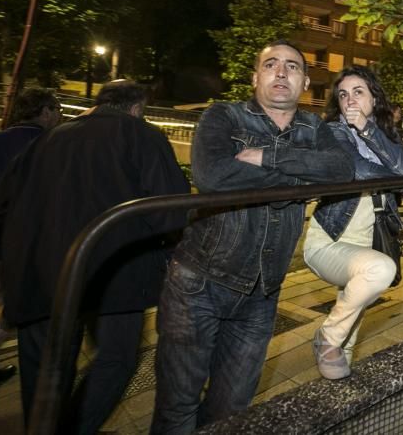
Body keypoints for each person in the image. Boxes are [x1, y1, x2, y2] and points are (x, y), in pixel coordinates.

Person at [151, 40, 353, 433]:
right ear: (256, 76)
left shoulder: (315, 128)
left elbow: (341, 169)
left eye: (292, 66)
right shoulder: (223, 117)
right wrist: (301, 179)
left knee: (232, 410)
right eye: (271, 64)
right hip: (198, 286)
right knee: (177, 406)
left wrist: (266, 157)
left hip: (262, 293)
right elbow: (213, 176)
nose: (281, 72)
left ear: (306, 81)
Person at [0, 81, 189, 432]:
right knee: (117, 357)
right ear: (137, 106)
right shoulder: (143, 136)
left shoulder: (46, 140)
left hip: (39, 271)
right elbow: (172, 212)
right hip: (116, 272)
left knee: (46, 368)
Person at [303, 66, 403, 379]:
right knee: (379, 271)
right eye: (343, 94)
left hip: (368, 238)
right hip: (331, 239)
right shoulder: (333, 131)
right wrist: (398, 181)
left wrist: (366, 127)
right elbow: (358, 171)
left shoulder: (386, 132)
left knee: (354, 312)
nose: (349, 100)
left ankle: (336, 382)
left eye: (358, 92)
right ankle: (326, 336)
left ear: (374, 97)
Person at [0, 88, 62, 395]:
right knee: (7, 315)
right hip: (22, 247)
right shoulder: (47, 146)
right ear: (46, 111)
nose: (61, 115)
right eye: (58, 109)